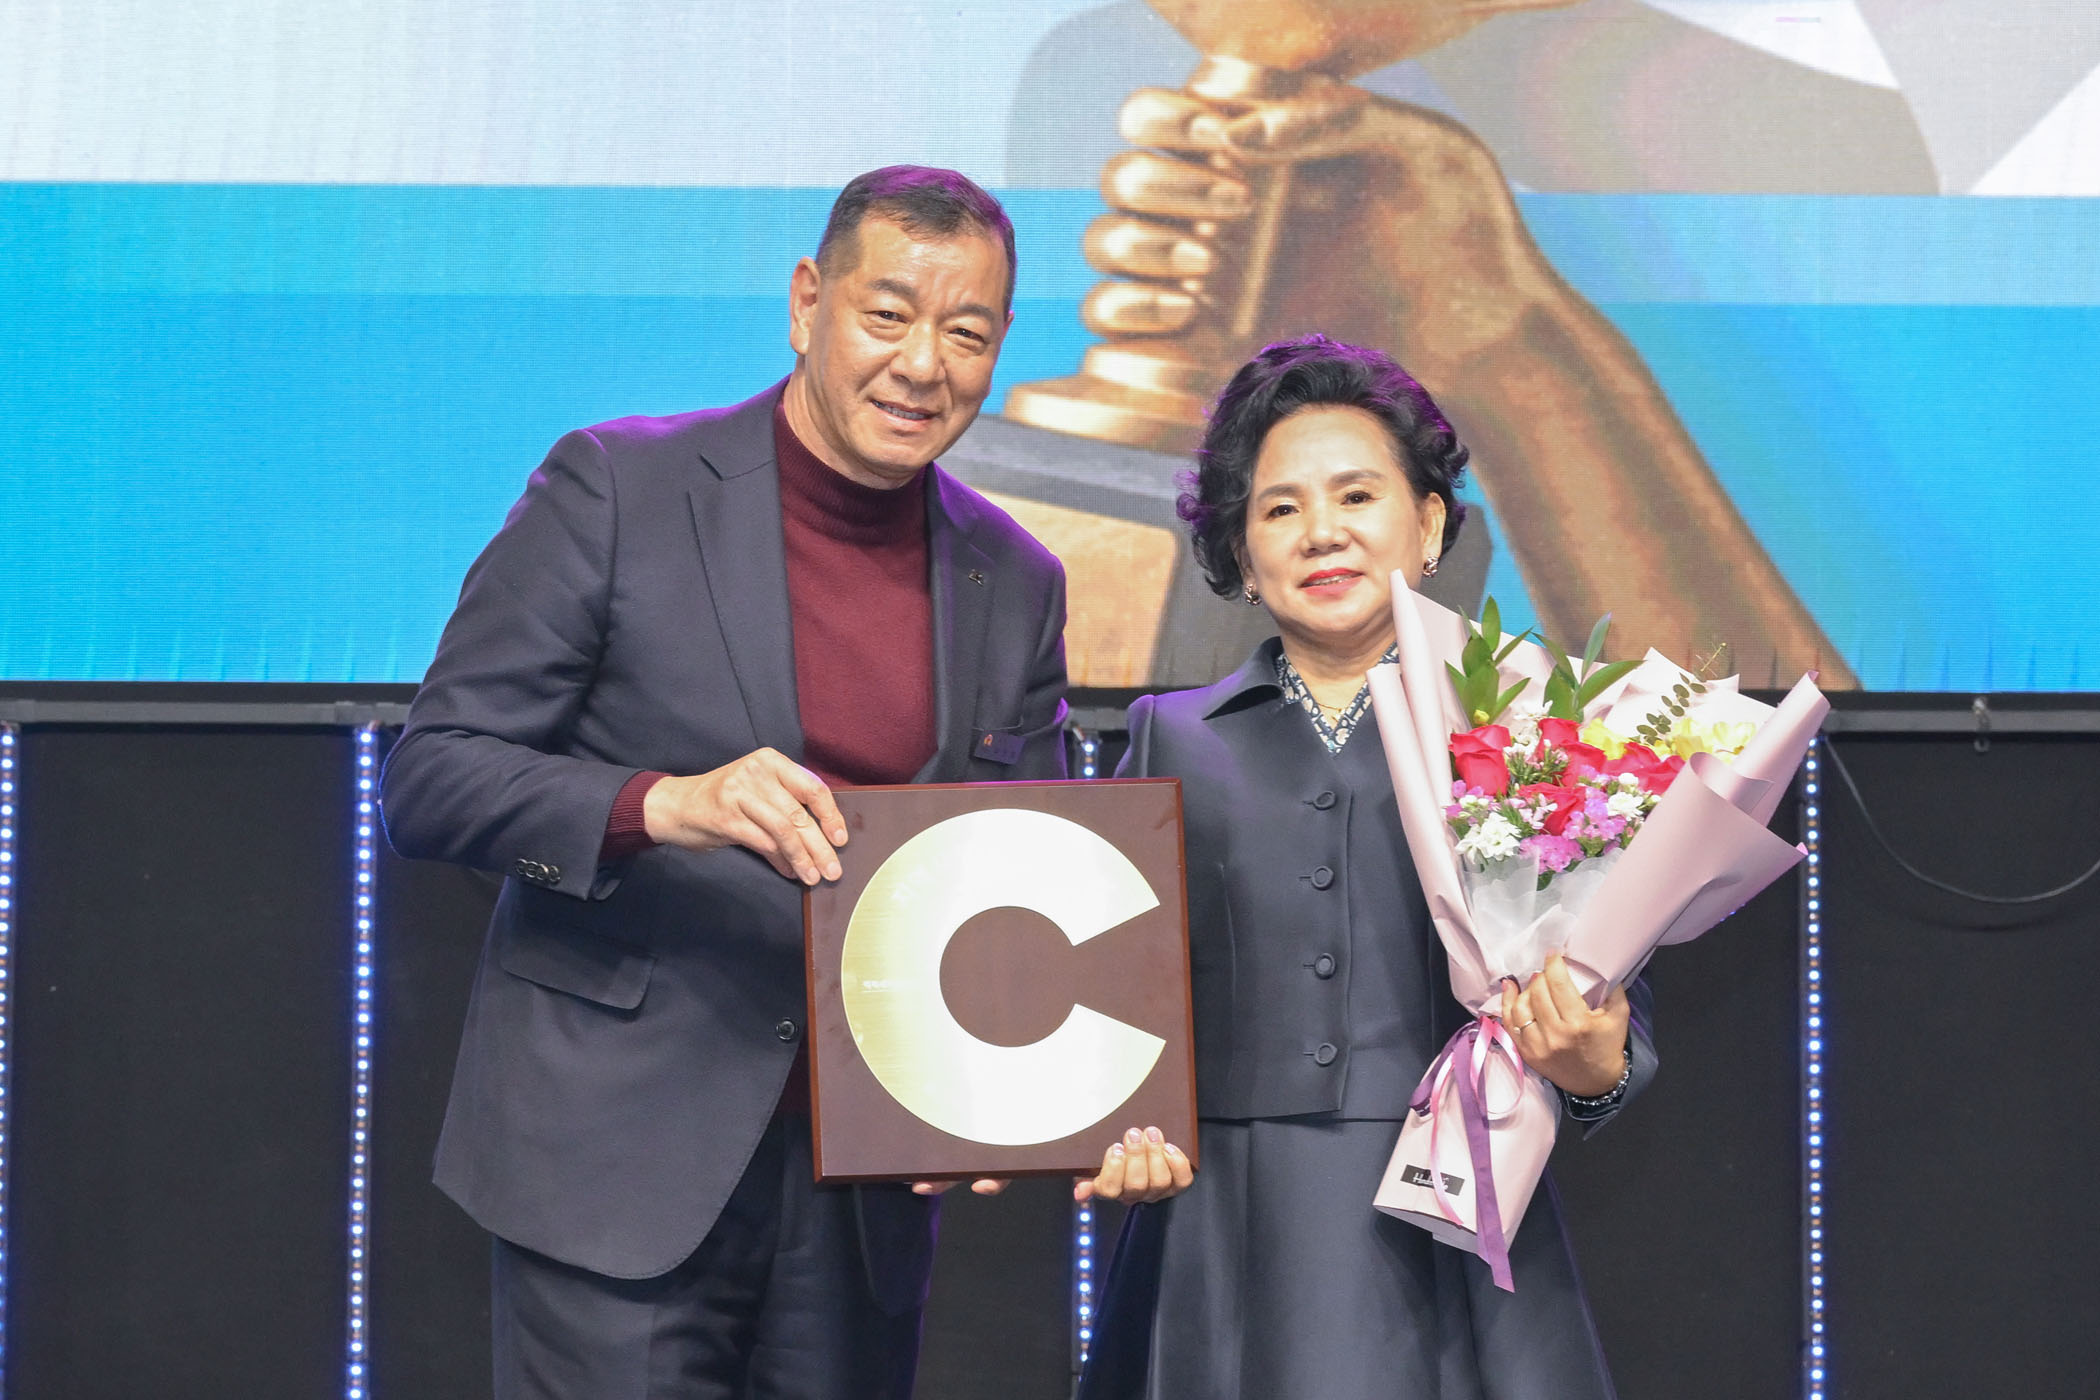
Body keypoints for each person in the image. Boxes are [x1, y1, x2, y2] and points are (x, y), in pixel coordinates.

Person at [382, 166, 1092, 1399]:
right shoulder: (617, 487)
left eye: (966, 333)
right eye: (887, 316)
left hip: (863, 1191)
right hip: (617, 1162)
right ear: (808, 301)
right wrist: (664, 804)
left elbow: (1014, 869)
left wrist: (993, 1090)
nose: (922, 364)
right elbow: (433, 776)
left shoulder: (1017, 577)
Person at [1077, 335, 1659, 1399]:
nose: (1322, 532)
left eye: (1356, 495)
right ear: (1241, 551)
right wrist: (1113, 1128)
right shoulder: (1172, 738)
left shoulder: (1525, 729)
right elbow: (1106, 1002)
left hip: (1456, 1212)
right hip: (1225, 1228)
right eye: (1280, 508)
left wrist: (1593, 1058)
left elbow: (1613, 1038)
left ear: (1428, 524)